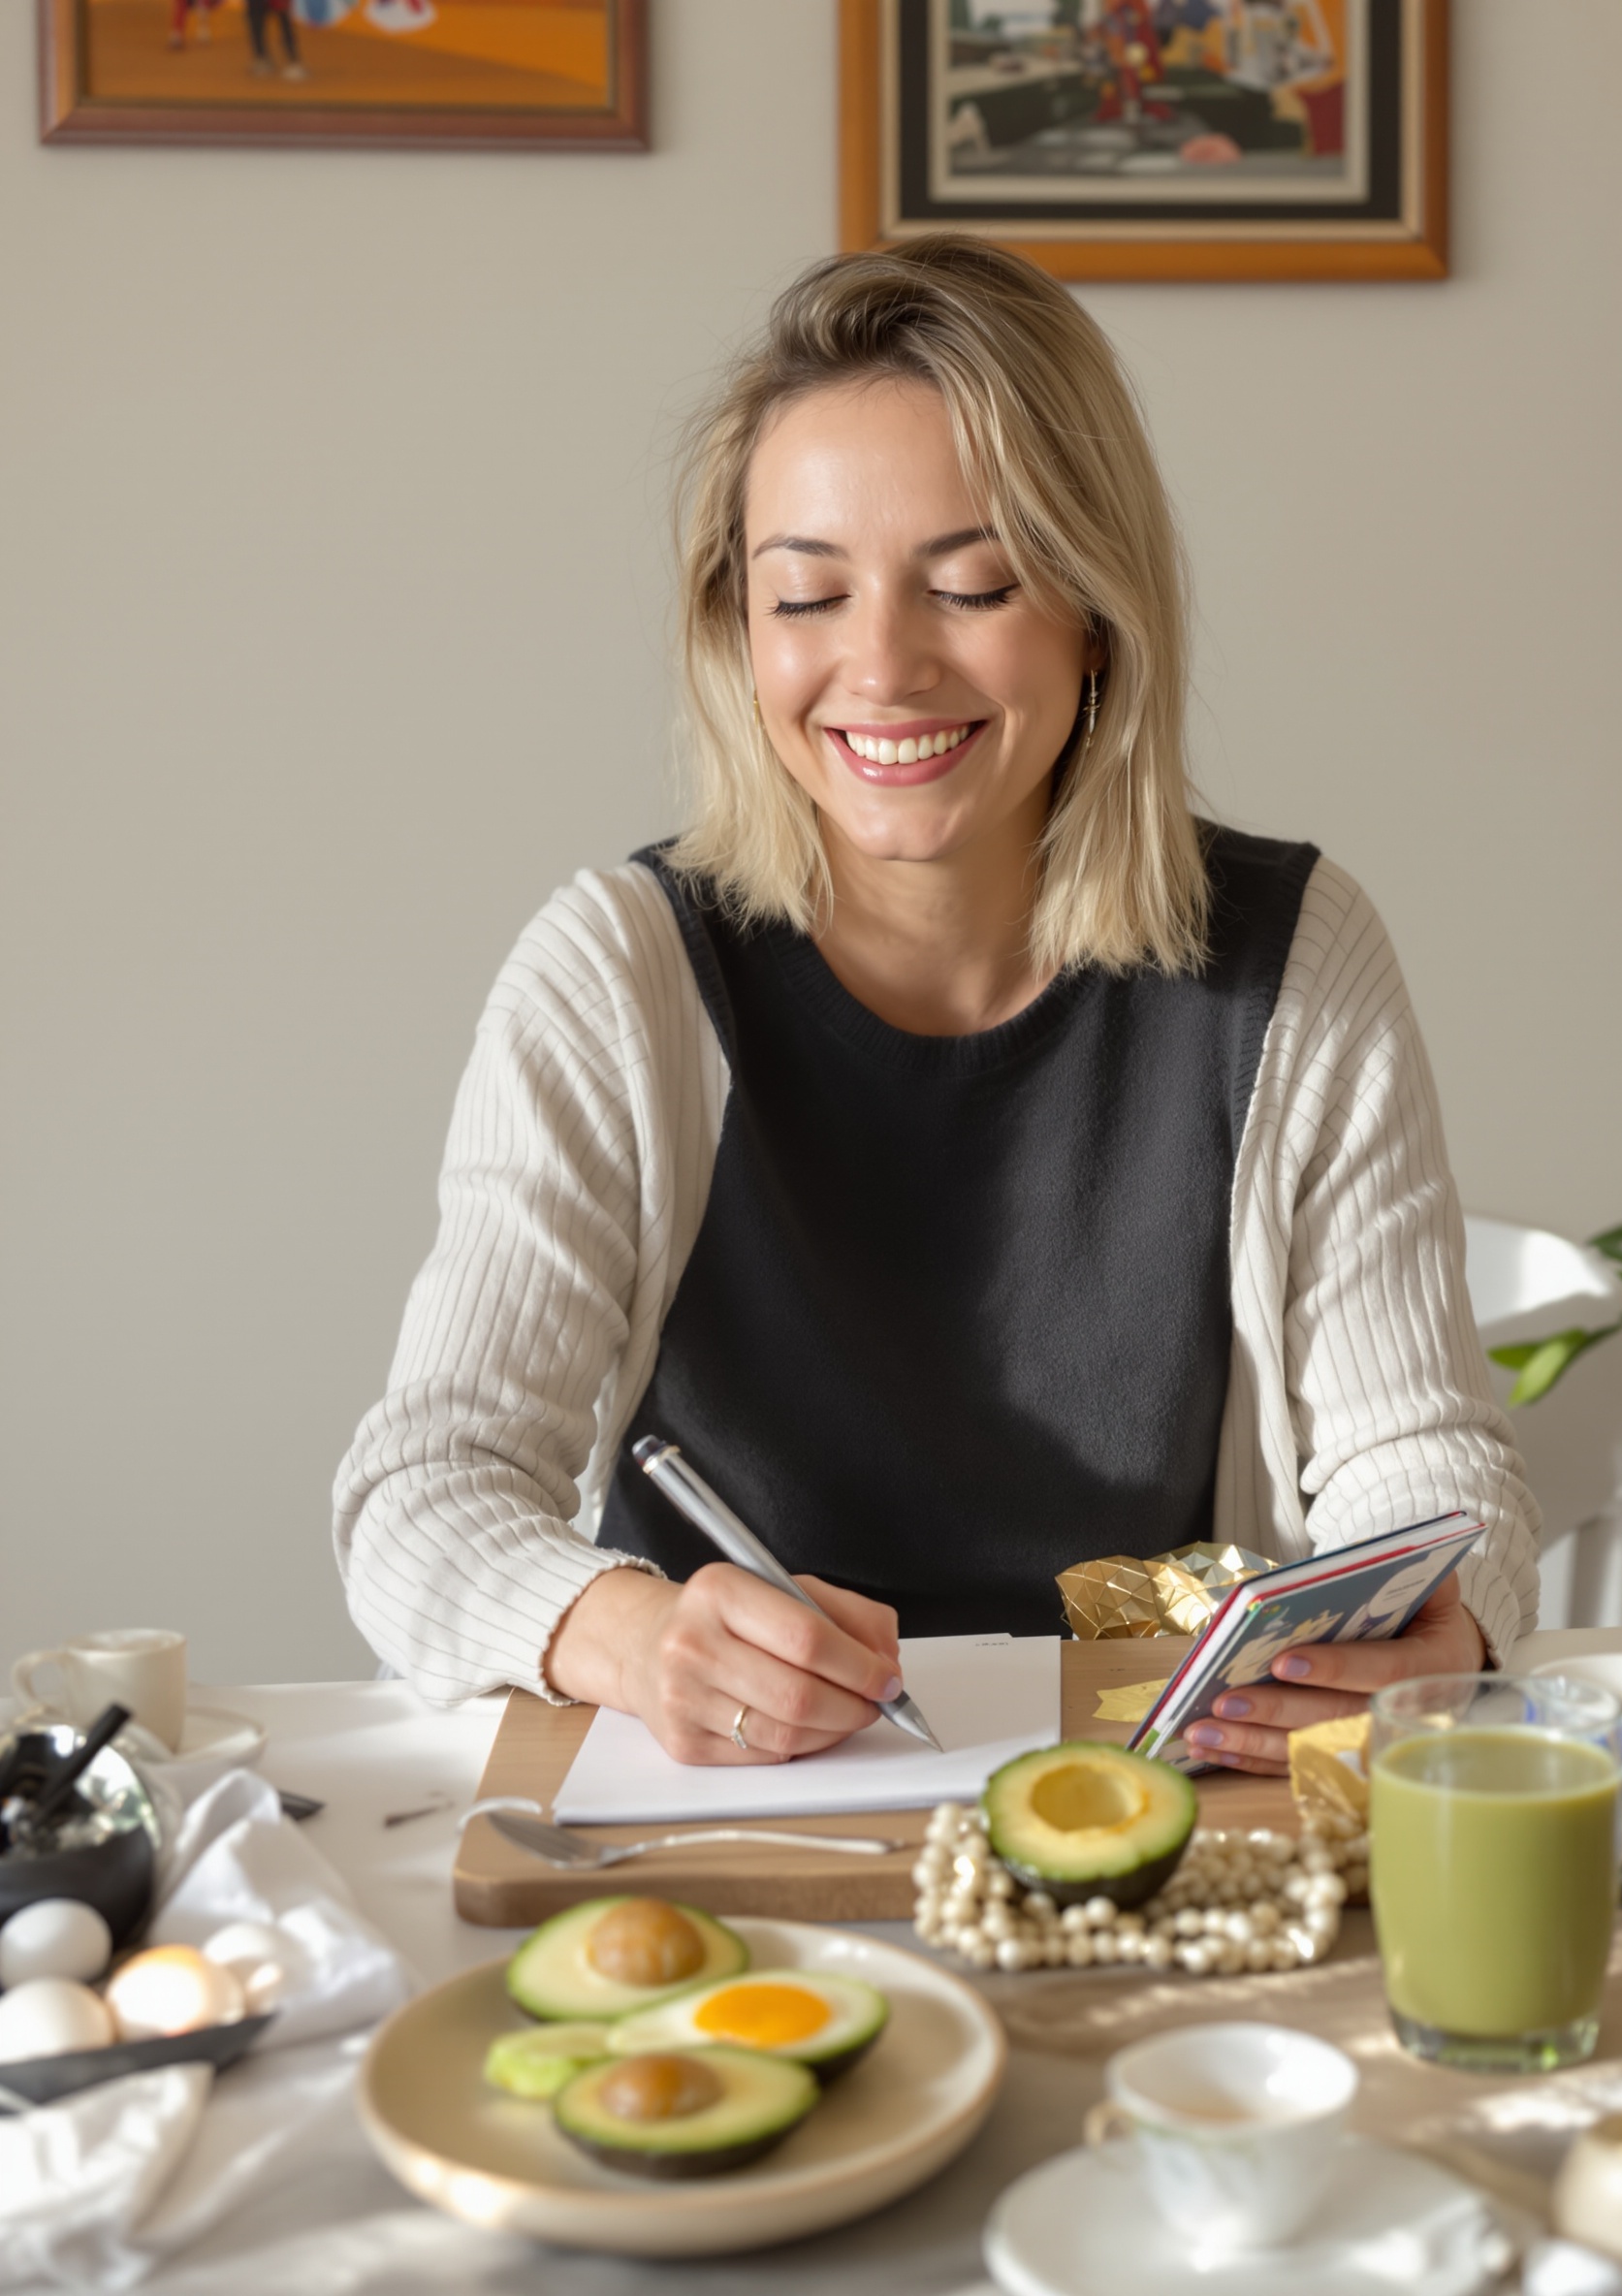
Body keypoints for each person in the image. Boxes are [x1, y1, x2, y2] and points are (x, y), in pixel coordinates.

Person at [334, 236, 1540, 1777]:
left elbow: (1424, 1456)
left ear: (1096, 611)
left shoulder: (1295, 957)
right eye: (808, 594)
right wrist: (628, 1634)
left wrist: (1439, 1615)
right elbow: (422, 1493)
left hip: (1149, 1786)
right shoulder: (614, 975)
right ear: (739, 630)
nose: (883, 667)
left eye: (971, 585)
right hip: (733, 1798)